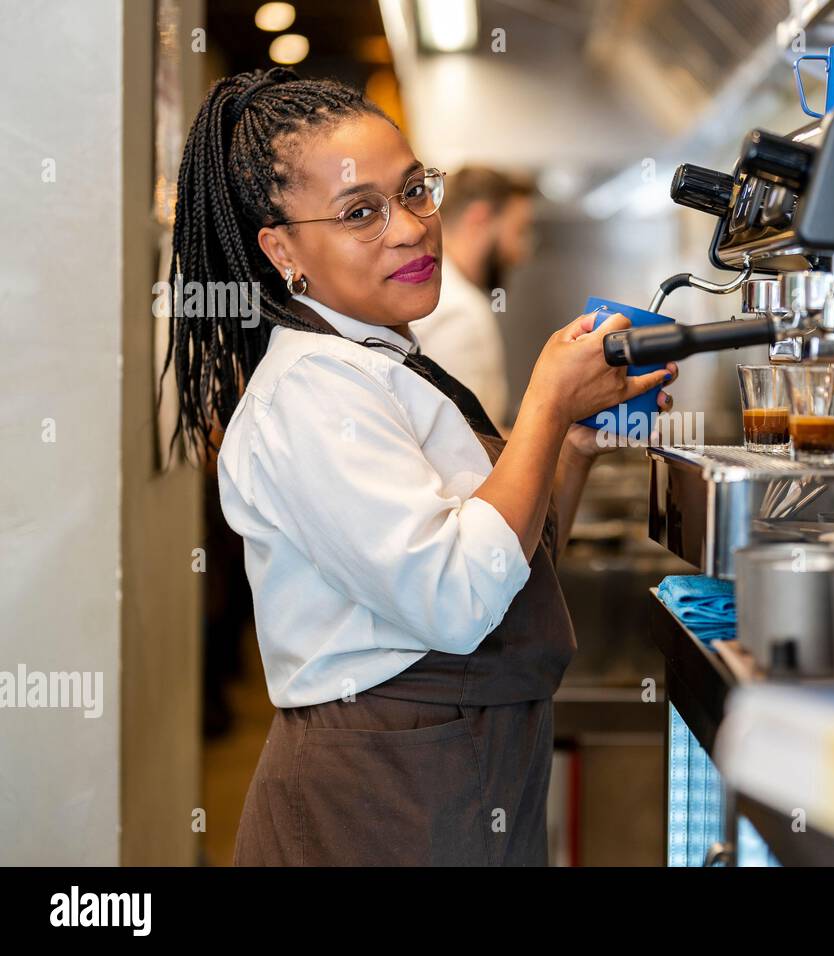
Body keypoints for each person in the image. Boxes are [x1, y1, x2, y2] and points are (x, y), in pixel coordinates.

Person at [164, 67, 676, 866]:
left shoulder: (387, 360)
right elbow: (456, 597)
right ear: (282, 248)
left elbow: (505, 564)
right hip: (385, 793)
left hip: (462, 767)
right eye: (360, 212)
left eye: (415, 192)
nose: (408, 228)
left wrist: (568, 442)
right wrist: (542, 403)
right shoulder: (311, 391)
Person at [408, 166, 535, 427]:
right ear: (480, 219)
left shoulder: (438, 293)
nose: (521, 252)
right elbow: (473, 443)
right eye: (518, 231)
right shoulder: (460, 311)